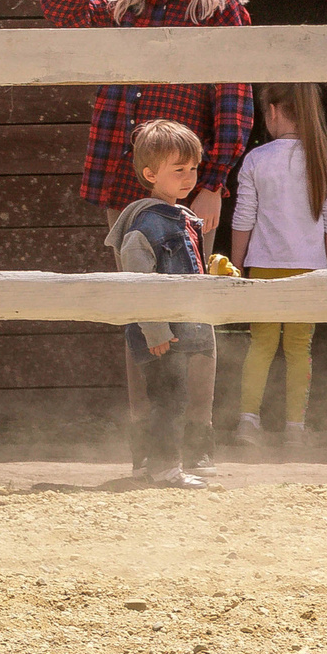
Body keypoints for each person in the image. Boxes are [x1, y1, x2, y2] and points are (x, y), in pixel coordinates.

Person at [40, 0, 255, 236]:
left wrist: (214, 185)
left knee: (188, 288)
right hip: (124, 175)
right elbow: (57, 5)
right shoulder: (123, 3)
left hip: (185, 185)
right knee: (131, 288)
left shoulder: (218, 9)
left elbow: (234, 105)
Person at [103, 120, 219, 488]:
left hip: (178, 327)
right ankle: (167, 467)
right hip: (158, 330)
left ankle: (151, 463)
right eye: (178, 170)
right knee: (168, 398)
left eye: (193, 169)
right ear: (150, 173)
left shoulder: (184, 219)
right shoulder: (146, 224)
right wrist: (153, 328)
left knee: (169, 396)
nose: (189, 178)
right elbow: (140, 284)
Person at [231, 83, 327, 440]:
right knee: (299, 349)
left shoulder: (257, 159)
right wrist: (321, 263)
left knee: (261, 344)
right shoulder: (324, 161)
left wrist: (238, 267)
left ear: (274, 111)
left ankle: (248, 422)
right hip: (310, 270)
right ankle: (296, 427)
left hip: (263, 267)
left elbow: (243, 218)